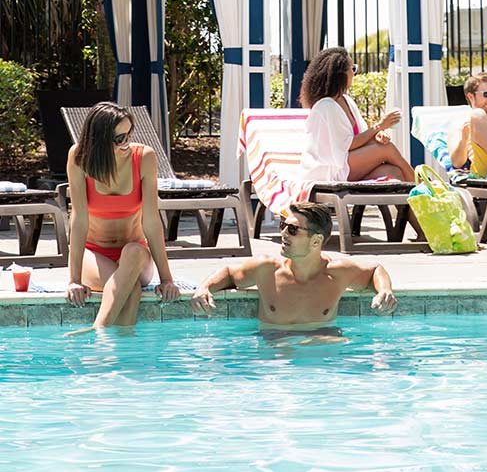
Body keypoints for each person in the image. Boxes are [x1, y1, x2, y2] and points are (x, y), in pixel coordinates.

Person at [65, 101, 179, 331]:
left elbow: (151, 221)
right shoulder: (79, 158)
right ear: (99, 140)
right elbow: (78, 220)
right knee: (130, 286)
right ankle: (121, 348)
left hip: (135, 253)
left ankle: (99, 331)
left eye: (129, 135)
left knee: (134, 252)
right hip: (94, 252)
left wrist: (167, 279)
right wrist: (74, 280)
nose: (126, 143)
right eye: (119, 138)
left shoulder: (144, 157)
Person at [190, 202, 398, 328]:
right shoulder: (267, 269)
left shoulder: (337, 272)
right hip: (277, 358)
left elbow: (374, 271)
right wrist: (204, 288)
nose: (282, 233)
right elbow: (229, 273)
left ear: (316, 241)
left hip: (323, 355)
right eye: (283, 225)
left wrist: (384, 290)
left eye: (292, 230)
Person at [298, 47, 414, 183]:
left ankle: (410, 203)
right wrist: (379, 126)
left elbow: (362, 136)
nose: (354, 73)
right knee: (386, 149)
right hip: (331, 169)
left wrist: (377, 137)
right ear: (340, 74)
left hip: (347, 165)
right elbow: (347, 145)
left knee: (395, 172)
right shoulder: (326, 107)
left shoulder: (347, 101)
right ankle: (424, 188)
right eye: (352, 68)